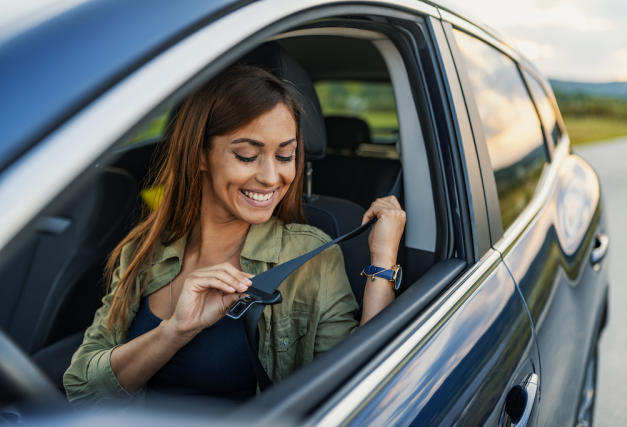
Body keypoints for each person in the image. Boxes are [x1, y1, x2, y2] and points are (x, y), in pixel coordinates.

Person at [63, 64, 406, 405]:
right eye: (247, 155)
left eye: (285, 155)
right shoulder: (144, 249)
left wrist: (382, 261)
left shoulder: (310, 255)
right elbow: (82, 388)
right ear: (200, 155)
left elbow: (361, 386)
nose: (272, 177)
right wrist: (175, 331)